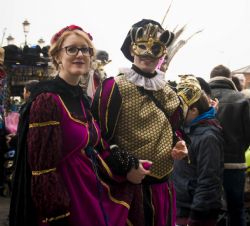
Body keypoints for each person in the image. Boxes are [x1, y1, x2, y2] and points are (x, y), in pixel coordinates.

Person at [9, 25, 151, 226]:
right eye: (71, 49)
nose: (80, 54)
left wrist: (128, 165)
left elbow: (97, 146)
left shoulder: (83, 100)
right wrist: (57, 213)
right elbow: (42, 169)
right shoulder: (47, 100)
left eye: (85, 49)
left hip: (89, 192)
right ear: (58, 55)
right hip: (67, 200)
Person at [91, 19, 202, 226]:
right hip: (128, 190)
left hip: (164, 188)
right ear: (131, 48)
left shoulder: (167, 90)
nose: (148, 53)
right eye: (142, 46)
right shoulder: (113, 87)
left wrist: (177, 144)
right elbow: (98, 138)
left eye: (156, 48)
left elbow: (172, 128)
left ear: (162, 53)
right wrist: (125, 166)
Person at [172, 88, 224, 226]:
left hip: (195, 211)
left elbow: (209, 179)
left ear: (194, 110)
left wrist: (197, 218)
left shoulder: (208, 137)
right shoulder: (185, 130)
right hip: (181, 206)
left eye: (180, 109)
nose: (177, 113)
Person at [209, 64, 250, 226]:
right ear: (229, 78)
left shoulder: (200, 98)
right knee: (236, 210)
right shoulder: (242, 99)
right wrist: (240, 148)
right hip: (235, 165)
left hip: (204, 166)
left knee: (206, 211)